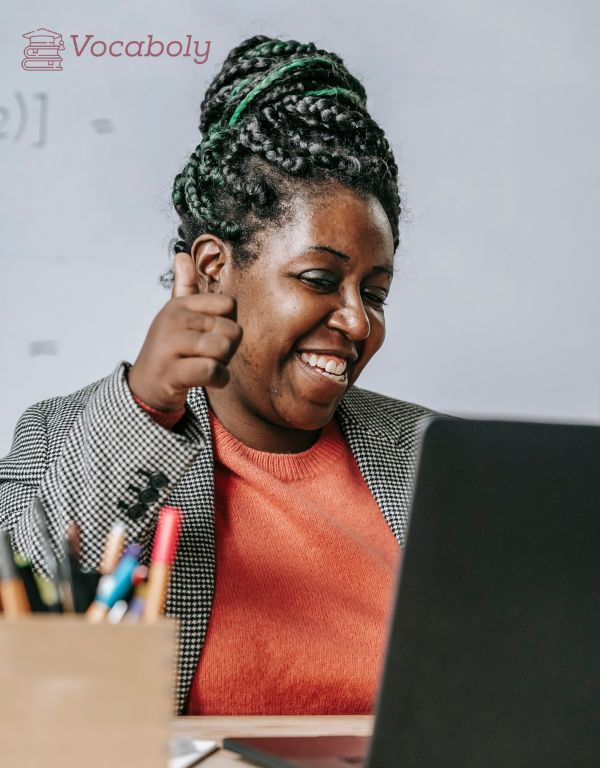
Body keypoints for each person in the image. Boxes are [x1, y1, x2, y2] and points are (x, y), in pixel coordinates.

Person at [0, 35, 434, 715]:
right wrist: (142, 408)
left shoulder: (431, 455)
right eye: (320, 279)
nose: (357, 322)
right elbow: (19, 636)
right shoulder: (65, 438)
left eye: (374, 292)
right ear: (211, 271)